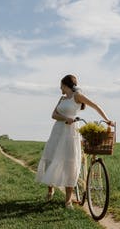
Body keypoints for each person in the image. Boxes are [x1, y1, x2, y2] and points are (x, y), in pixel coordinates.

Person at [36, 74, 114, 209]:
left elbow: (95, 106)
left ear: (66, 85)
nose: (60, 88)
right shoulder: (61, 98)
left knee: (70, 164)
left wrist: (107, 120)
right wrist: (65, 118)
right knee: (50, 159)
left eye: (61, 85)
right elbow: (53, 115)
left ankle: (68, 200)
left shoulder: (77, 96)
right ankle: (50, 189)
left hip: (71, 132)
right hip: (57, 131)